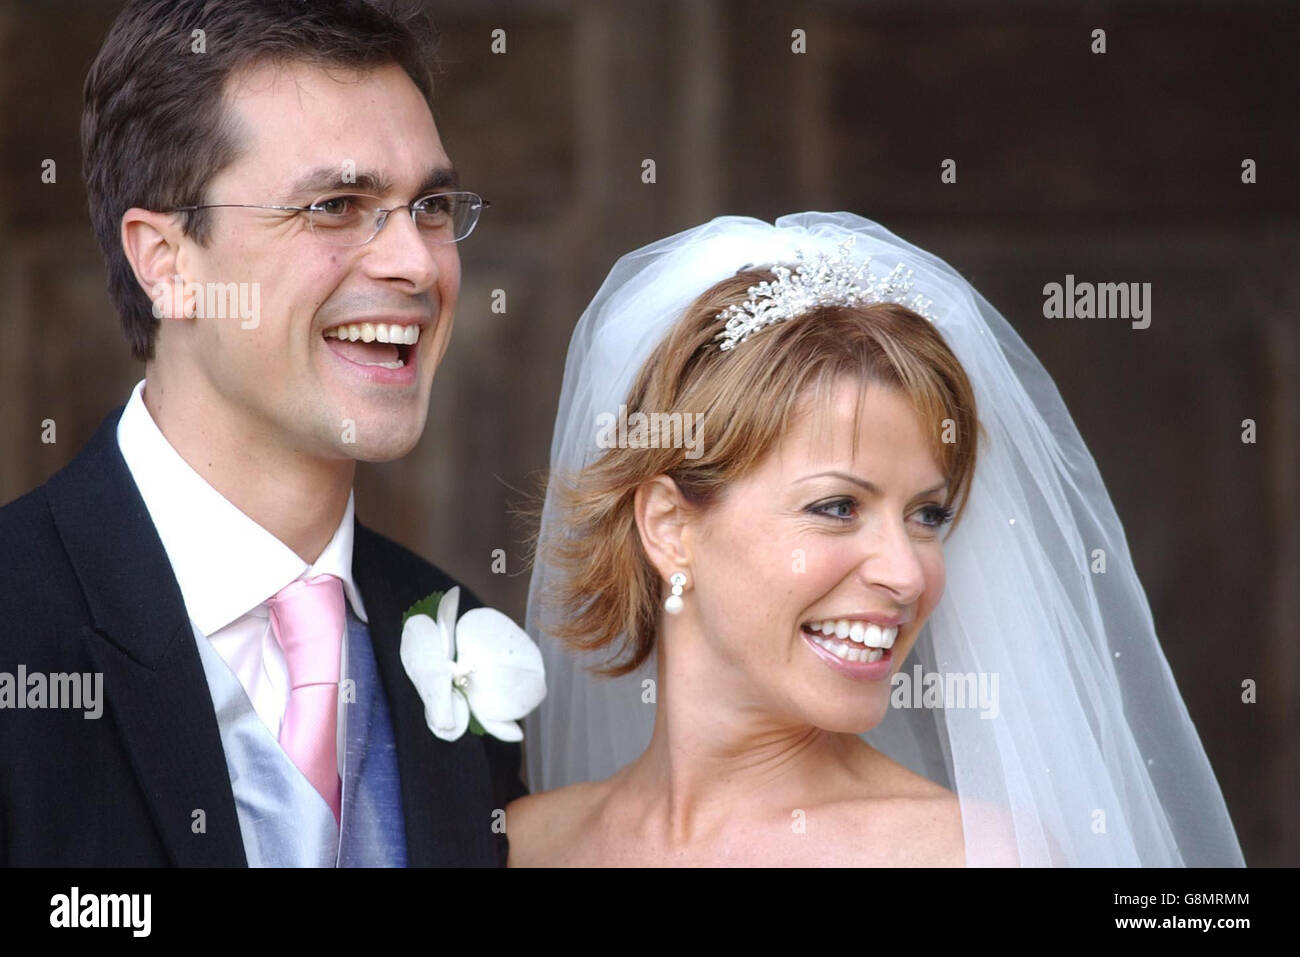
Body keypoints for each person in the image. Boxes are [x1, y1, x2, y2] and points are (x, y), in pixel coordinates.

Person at [509, 212, 1245, 866]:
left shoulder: (978, 856)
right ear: (670, 527)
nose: (906, 573)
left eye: (928, 515)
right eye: (837, 506)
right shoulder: (522, 843)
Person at [0, 0, 525, 866]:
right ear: (166, 261)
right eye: (335, 205)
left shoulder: (463, 643)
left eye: (430, 205)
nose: (417, 262)